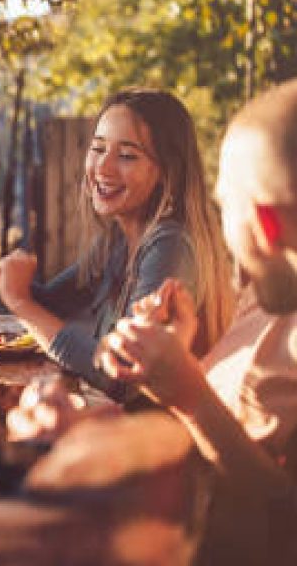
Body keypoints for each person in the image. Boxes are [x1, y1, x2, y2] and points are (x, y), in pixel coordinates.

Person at [100, 80, 297, 562]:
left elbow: (285, 520)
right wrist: (179, 364)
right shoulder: (270, 293)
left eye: (226, 202)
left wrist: (188, 394)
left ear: (265, 224)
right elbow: (233, 430)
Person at [0, 89, 233, 398]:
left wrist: (21, 303)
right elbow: (52, 307)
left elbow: (123, 374)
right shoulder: (119, 241)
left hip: (156, 434)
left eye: (127, 155)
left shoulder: (171, 246)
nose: (102, 169)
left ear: (166, 172)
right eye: (97, 149)